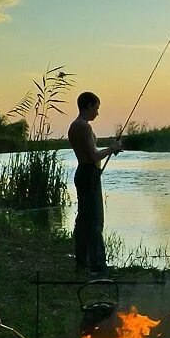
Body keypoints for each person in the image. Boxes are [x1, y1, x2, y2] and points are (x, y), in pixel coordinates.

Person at [68, 91, 122, 277]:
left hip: (83, 173)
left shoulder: (74, 126)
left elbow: (89, 153)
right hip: (89, 174)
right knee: (95, 221)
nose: (97, 113)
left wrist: (110, 150)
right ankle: (98, 266)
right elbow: (93, 156)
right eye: (96, 108)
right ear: (89, 106)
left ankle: (81, 262)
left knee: (83, 219)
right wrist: (112, 148)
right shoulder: (83, 127)